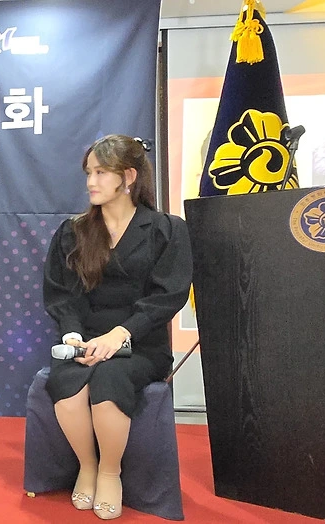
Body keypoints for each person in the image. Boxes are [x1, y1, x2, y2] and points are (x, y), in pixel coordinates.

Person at [43, 135, 192, 519]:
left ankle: (110, 472)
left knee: (110, 379)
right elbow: (62, 294)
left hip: (140, 344)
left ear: (128, 177)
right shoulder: (73, 231)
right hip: (84, 340)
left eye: (100, 173)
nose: (90, 182)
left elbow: (168, 295)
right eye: (88, 173)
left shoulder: (165, 230)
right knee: (67, 383)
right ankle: (88, 466)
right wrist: (74, 334)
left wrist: (121, 334)